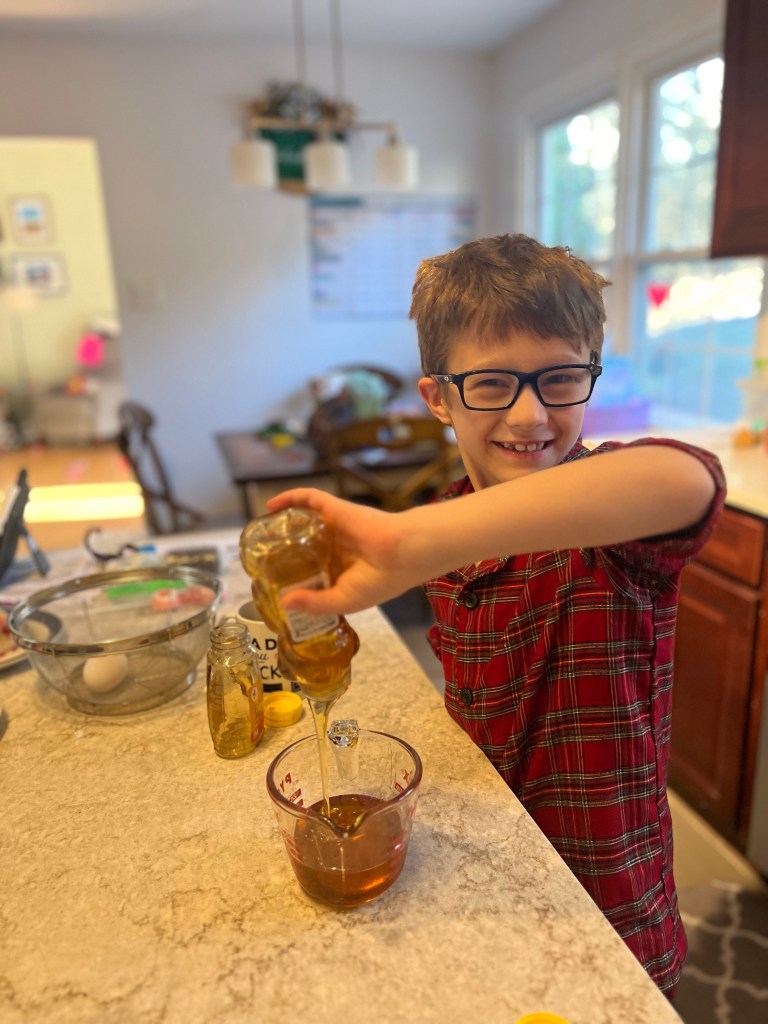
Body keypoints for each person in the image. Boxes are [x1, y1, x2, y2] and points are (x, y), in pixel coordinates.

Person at [268, 234, 726, 1000]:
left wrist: (413, 539)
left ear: (591, 374)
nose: (530, 412)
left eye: (560, 378)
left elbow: (690, 480)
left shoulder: (607, 524)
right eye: (490, 384)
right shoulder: (448, 526)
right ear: (438, 398)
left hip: (609, 898)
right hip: (489, 871)